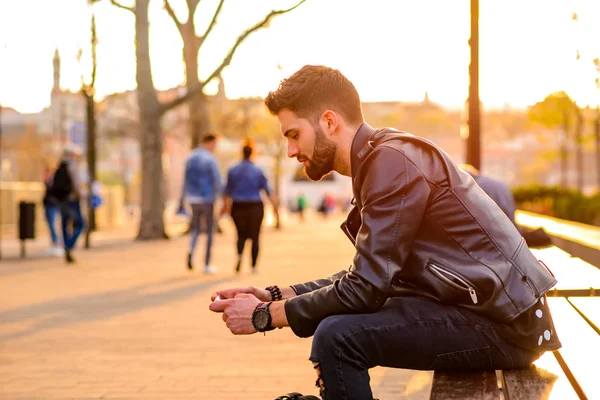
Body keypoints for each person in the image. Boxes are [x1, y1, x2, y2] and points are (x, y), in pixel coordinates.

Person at [208, 66, 560, 400]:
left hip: (505, 325)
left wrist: (265, 316)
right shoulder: (382, 158)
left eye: (294, 135)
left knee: (337, 337)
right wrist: (274, 295)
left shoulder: (390, 164)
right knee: (337, 329)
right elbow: (367, 279)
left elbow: (365, 289)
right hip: (493, 313)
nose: (291, 151)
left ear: (329, 121)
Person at [221, 141, 278, 274]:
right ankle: (253, 266)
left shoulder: (233, 169)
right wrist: (275, 209)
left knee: (240, 235)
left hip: (238, 206)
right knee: (255, 236)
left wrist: (225, 207)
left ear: (242, 153)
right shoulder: (258, 170)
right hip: (255, 206)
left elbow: (226, 191)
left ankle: (240, 256)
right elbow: (268, 191)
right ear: (252, 153)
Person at [181, 133, 221, 273]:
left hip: (192, 199)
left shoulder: (190, 157)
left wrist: (182, 200)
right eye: (215, 144)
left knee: (196, 229)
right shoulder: (210, 159)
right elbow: (217, 181)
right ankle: (207, 264)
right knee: (210, 231)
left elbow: (184, 180)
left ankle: (191, 251)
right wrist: (223, 198)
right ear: (209, 142)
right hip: (207, 199)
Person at [49, 144, 85, 264]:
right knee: (80, 224)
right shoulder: (72, 165)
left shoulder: (59, 167)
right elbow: (77, 183)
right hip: (72, 199)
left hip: (61, 200)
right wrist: (79, 195)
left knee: (65, 224)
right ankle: (69, 245)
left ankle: (66, 247)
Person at [42, 165, 63, 257]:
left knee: (53, 225)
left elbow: (54, 194)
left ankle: (57, 245)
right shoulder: (48, 183)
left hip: (52, 205)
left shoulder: (54, 182)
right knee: (51, 225)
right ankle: (54, 244)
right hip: (48, 205)